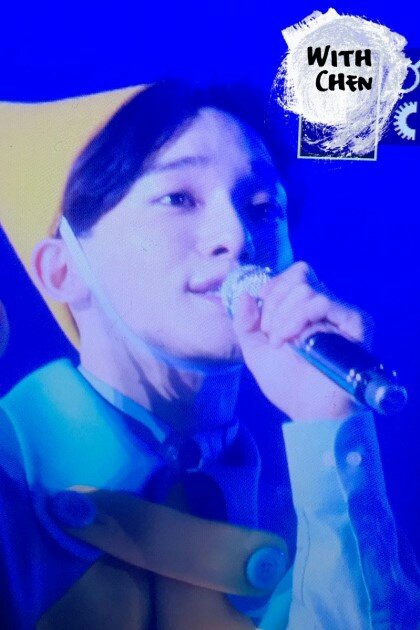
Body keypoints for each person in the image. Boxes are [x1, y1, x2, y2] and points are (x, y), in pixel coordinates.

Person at [0, 80, 417, 629]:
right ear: (62, 270)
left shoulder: (320, 503)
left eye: (263, 207)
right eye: (179, 198)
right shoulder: (12, 474)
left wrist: (328, 421)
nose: (237, 237)